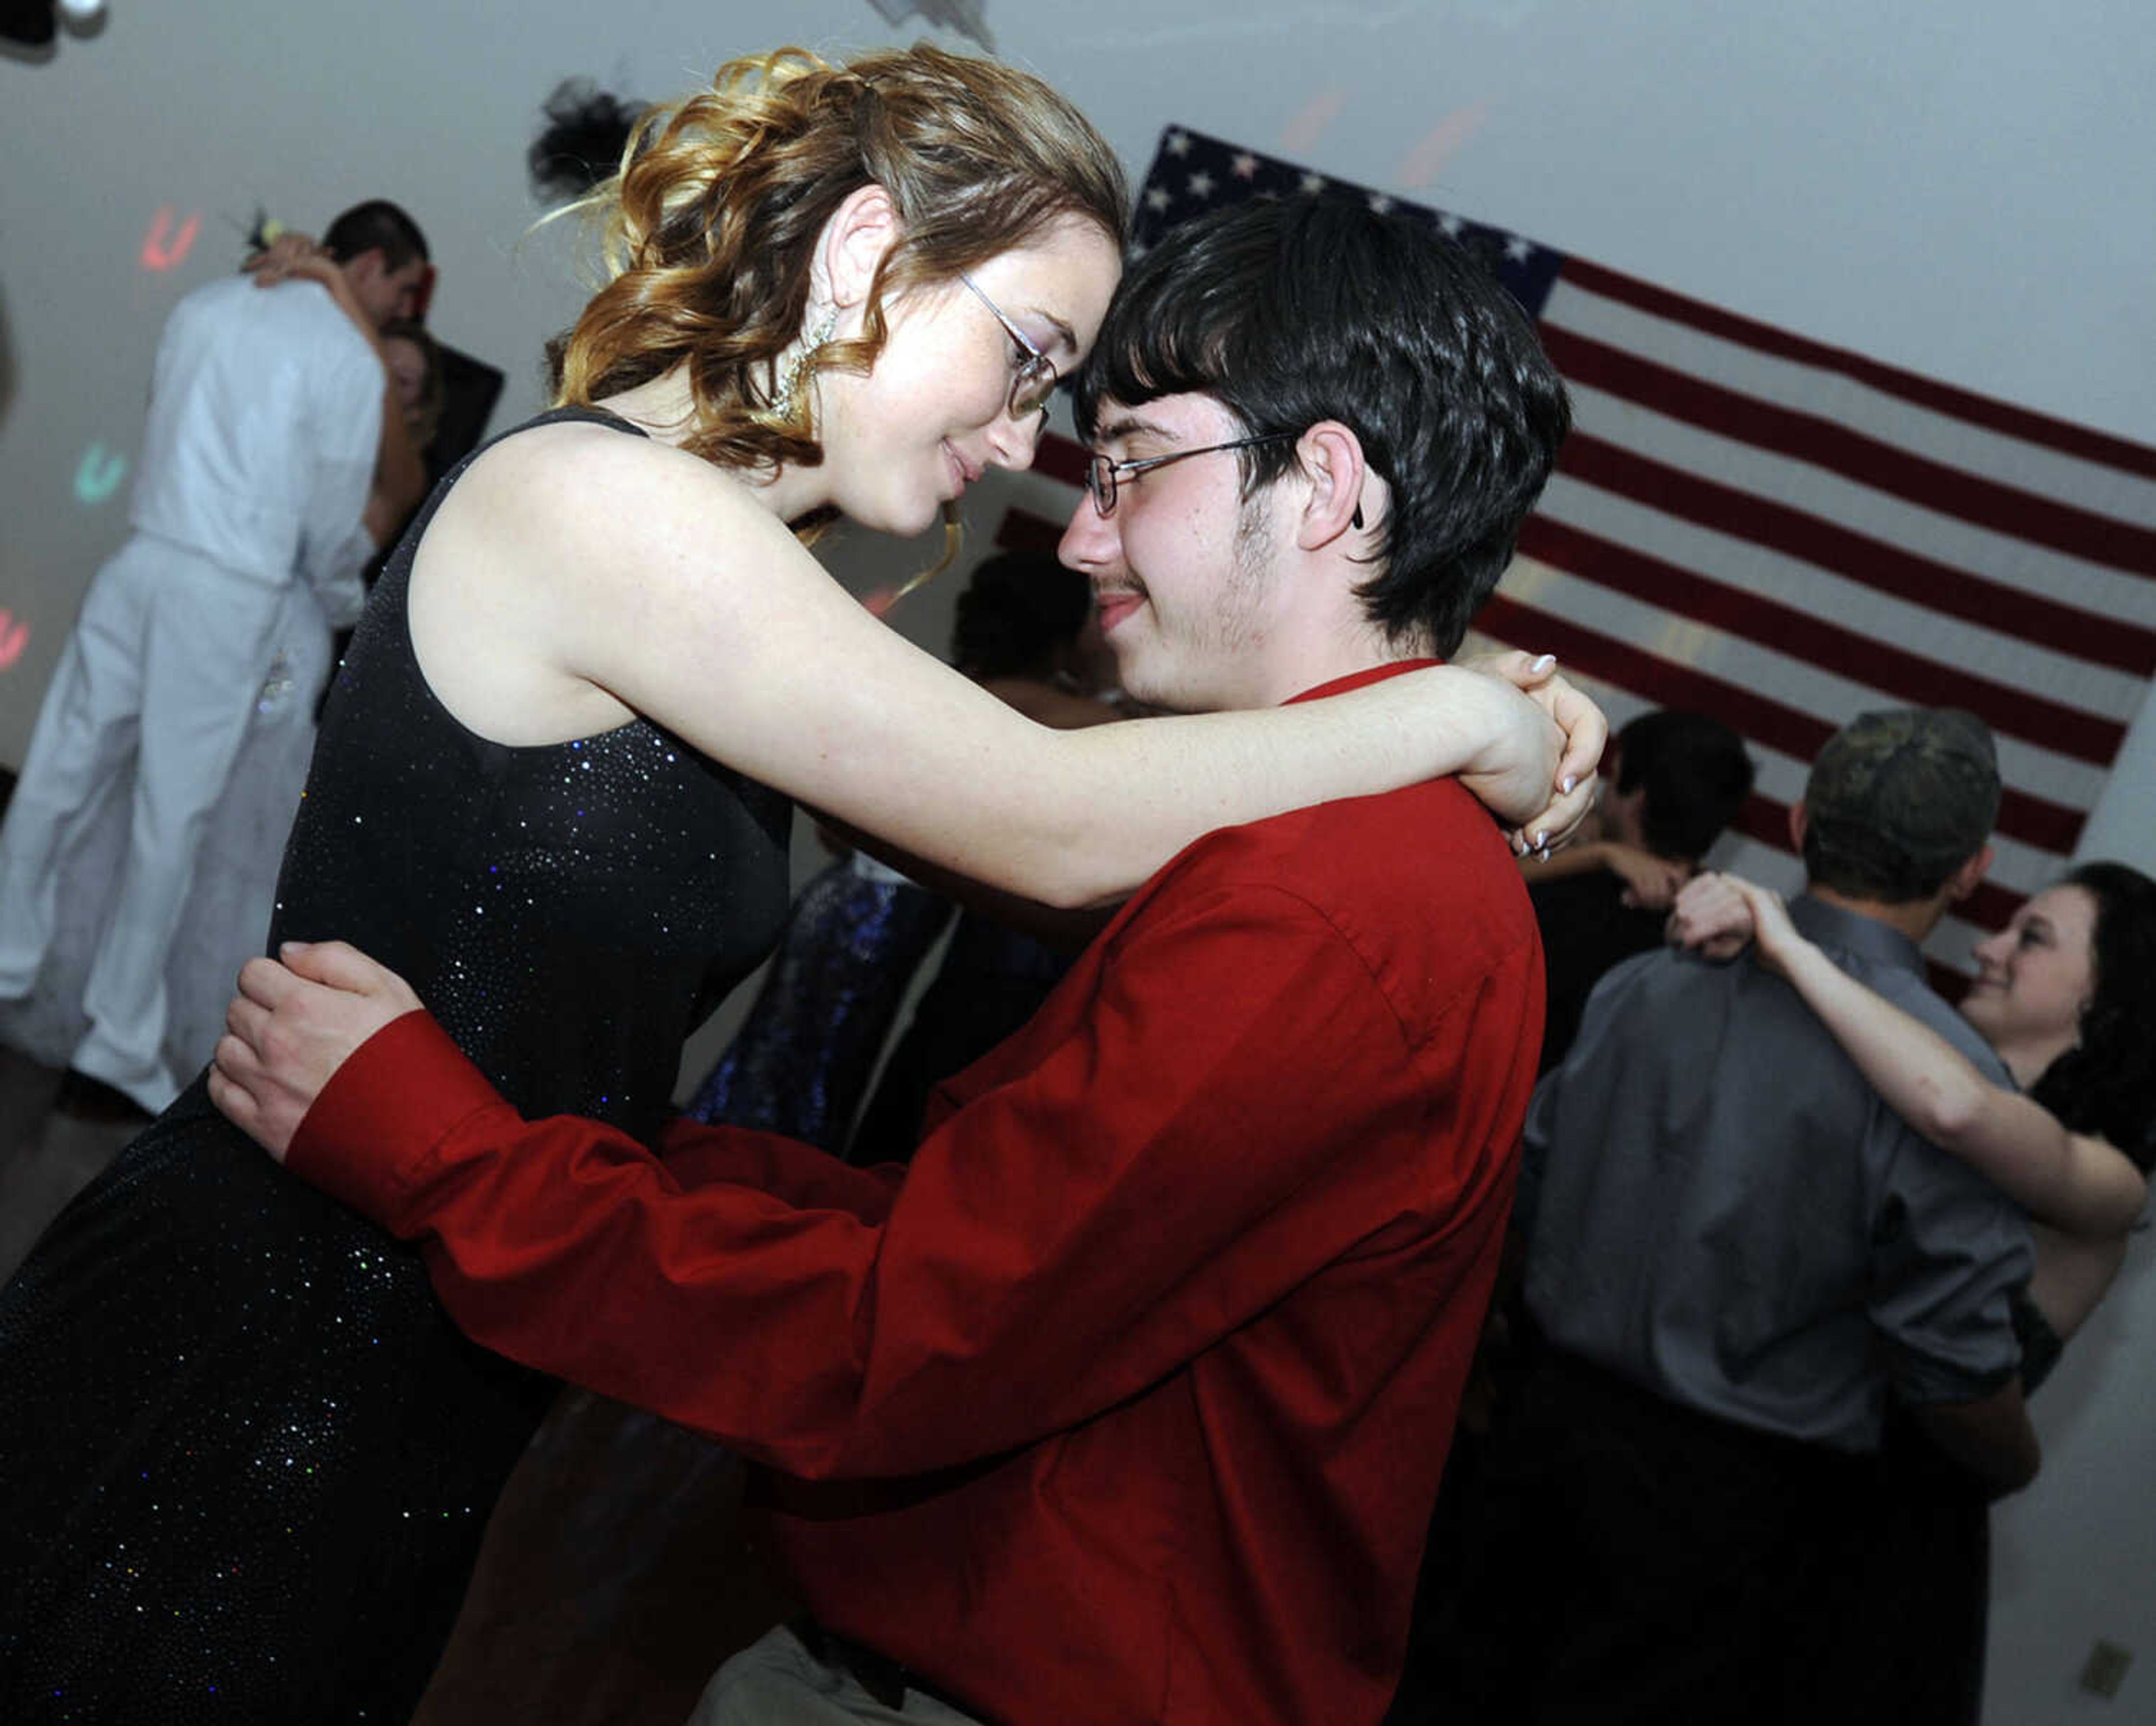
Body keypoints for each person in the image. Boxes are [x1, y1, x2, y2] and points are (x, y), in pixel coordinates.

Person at [0, 48, 1599, 1725]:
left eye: (1089, 426)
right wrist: (1459, 704)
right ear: (858, 262)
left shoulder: (742, 582)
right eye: (1025, 361)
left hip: (432, 1314)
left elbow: (1042, 919)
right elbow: (1048, 815)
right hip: (280, 1302)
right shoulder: (612, 509)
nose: (1027, 458)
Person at [1436, 707, 2039, 1724]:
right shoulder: (1952, 1081)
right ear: (1970, 872)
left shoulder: (1648, 985)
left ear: (1802, 826)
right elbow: (1948, 1360)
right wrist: (2014, 1452)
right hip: (1728, 1520)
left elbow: (1518, 1194)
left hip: (1534, 1449)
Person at [0, 199, 430, 1121]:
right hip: (232, 588)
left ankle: (8, 947)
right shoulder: (343, 359)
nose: (397, 309)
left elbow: (161, 418)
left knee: (62, 764)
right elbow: (326, 516)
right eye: (398, 288)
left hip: (143, 555)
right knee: (173, 812)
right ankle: (119, 1031)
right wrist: (338, 592)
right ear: (371, 266)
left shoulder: (207, 305)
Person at [1518, 706, 1753, 1071]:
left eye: (1613, 777)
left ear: (1637, 797)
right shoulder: (1726, 944)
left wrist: (1595, 855)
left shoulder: (1554, 902)